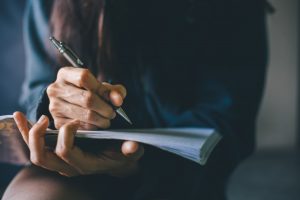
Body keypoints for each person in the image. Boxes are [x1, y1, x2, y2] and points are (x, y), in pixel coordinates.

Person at [3, 0, 268, 199]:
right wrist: (58, 108)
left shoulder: (233, 7)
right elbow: (36, 90)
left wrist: (138, 166)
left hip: (178, 178)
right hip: (72, 167)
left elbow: (228, 124)